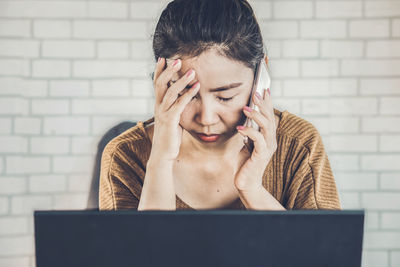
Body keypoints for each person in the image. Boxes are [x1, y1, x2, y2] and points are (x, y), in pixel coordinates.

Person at [99, 0, 341, 211]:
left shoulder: (299, 146)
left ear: (260, 77)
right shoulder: (125, 156)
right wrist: (160, 162)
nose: (206, 118)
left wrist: (253, 190)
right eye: (186, 94)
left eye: (225, 97)